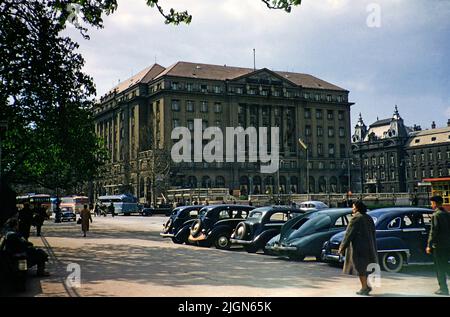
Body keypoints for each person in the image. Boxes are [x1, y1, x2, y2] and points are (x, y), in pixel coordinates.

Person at [339, 200, 378, 296]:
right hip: (369, 246)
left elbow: (348, 234)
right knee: (365, 267)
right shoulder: (368, 218)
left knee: (360, 268)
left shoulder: (355, 218)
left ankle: (364, 288)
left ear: (357, 208)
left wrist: (342, 247)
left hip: (359, 248)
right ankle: (366, 286)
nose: (352, 209)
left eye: (353, 207)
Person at [426, 196, 450, 296]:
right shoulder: (447, 214)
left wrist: (429, 245)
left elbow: (433, 232)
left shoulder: (436, 215)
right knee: (446, 266)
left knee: (440, 268)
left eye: (432, 203)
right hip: (448, 245)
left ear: (435, 203)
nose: (431, 205)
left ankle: (443, 289)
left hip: (439, 246)